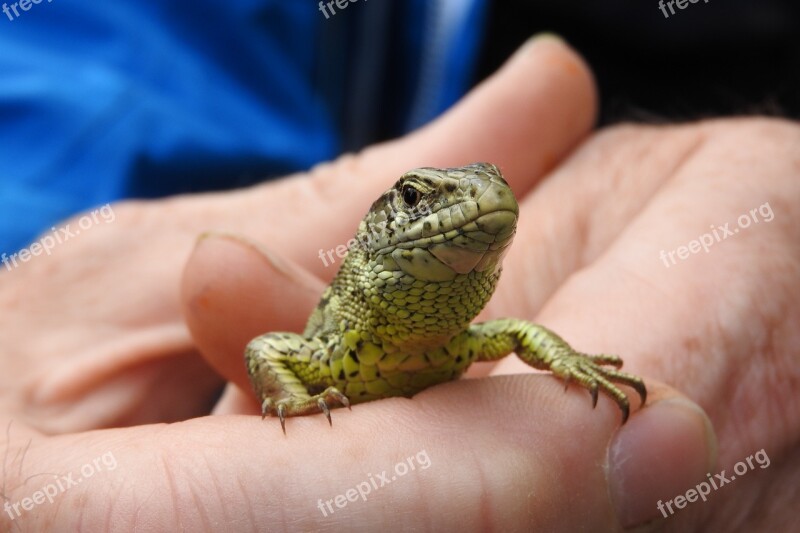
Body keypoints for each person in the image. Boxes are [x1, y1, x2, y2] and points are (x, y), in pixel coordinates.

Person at [2, 36, 797, 531]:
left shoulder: (463, 336)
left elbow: (520, 332)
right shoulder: (337, 346)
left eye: (485, 191)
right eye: (419, 198)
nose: (473, 202)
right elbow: (268, 347)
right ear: (377, 233)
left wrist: (575, 364)